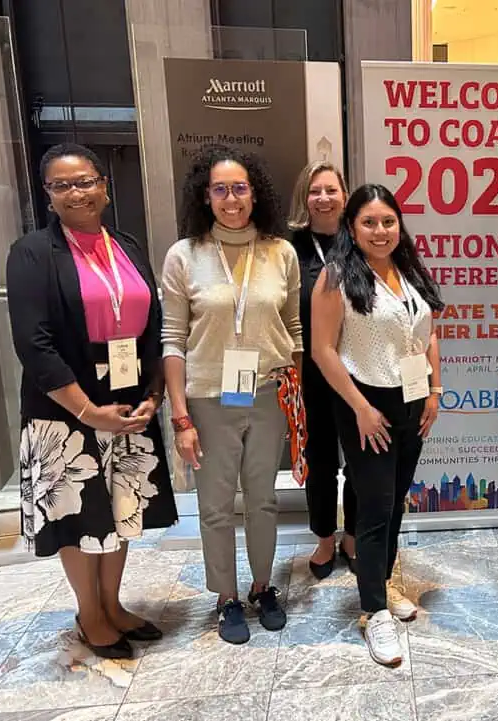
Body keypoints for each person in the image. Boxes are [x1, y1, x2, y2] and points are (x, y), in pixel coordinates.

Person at [7, 143, 177, 659]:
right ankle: (90, 613)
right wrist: (86, 409)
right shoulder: (33, 252)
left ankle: (113, 603)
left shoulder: (126, 244)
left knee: (122, 508)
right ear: (48, 195)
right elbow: (33, 343)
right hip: (66, 409)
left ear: (104, 184)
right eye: (62, 185)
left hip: (125, 405)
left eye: (84, 181)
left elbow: (152, 326)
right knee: (77, 516)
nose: (76, 192)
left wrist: (152, 393)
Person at [161, 145, 302, 645]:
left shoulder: (280, 253)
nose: (231, 199)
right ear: (206, 195)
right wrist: (180, 418)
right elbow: (173, 340)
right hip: (208, 398)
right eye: (219, 189)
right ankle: (226, 598)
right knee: (217, 506)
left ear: (254, 191)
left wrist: (297, 392)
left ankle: (264, 587)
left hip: (267, 395)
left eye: (239, 187)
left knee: (263, 499)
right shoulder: (185, 255)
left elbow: (293, 328)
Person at [311, 184, 444, 667]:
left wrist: (434, 390)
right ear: (352, 227)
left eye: (388, 221)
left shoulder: (406, 270)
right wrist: (361, 407)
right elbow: (323, 350)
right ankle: (373, 614)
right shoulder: (336, 277)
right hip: (365, 403)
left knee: (396, 502)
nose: (380, 230)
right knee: (373, 508)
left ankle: (384, 584)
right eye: (369, 222)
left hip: (411, 399)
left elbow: (426, 332)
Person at [288, 161, 357, 579]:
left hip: (358, 371)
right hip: (311, 375)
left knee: (362, 460)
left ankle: (353, 535)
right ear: (305, 198)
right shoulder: (290, 249)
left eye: (332, 190)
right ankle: (325, 538)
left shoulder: (362, 240)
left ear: (344, 196)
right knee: (321, 459)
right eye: (315, 191)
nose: (324, 198)